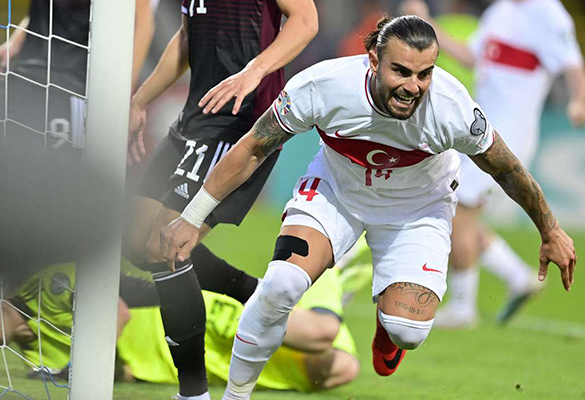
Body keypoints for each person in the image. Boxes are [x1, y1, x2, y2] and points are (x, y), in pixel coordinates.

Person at [159, 15, 577, 399]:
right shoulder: (323, 86)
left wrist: (551, 230)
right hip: (337, 193)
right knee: (281, 285)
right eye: (401, 71)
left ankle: (387, 327)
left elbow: (507, 169)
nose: (413, 87)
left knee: (407, 331)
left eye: (425, 74)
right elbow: (253, 147)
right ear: (374, 60)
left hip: (418, 207)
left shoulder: (452, 108)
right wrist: (192, 217)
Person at [124, 0, 318, 398]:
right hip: (192, 120)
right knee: (134, 240)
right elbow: (186, 38)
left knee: (166, 246)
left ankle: (193, 393)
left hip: (241, 124)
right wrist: (140, 100)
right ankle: (254, 293)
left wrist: (254, 70)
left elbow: (306, 20)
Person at [401, 0, 585, 328]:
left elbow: (571, 61)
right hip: (480, 130)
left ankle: (463, 307)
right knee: (453, 209)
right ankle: (516, 276)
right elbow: (470, 56)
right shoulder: (500, 11)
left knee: (456, 212)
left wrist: (579, 101)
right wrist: (426, 26)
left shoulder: (547, 12)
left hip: (508, 135)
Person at [0, 263, 359, 393]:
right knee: (340, 370)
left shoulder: (46, 285)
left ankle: (325, 271)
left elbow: (117, 312)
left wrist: (79, 371)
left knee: (321, 333)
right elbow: (121, 372)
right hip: (191, 365)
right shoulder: (34, 358)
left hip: (197, 321)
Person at [0, 0, 156, 153]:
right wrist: (15, 40)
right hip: (26, 71)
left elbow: (142, 22)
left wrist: (124, 98)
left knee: (49, 167)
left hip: (70, 86)